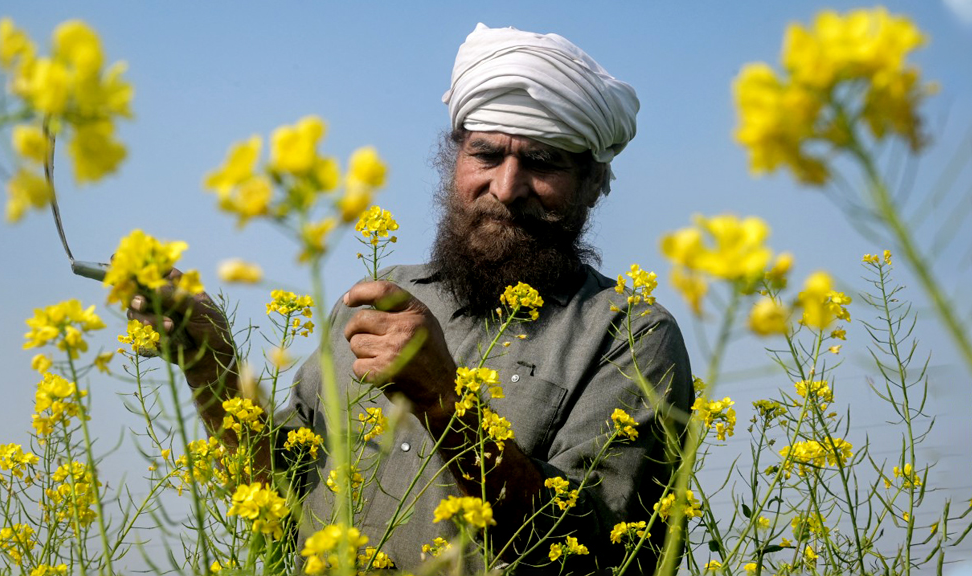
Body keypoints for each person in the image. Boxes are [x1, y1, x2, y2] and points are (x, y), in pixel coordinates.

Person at [127, 23, 693, 575]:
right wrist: (210, 359)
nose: (506, 187)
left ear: (594, 182)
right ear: (454, 162)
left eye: (544, 162)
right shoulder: (377, 299)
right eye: (487, 156)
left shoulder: (630, 336)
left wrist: (443, 400)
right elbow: (276, 490)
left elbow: (595, 552)